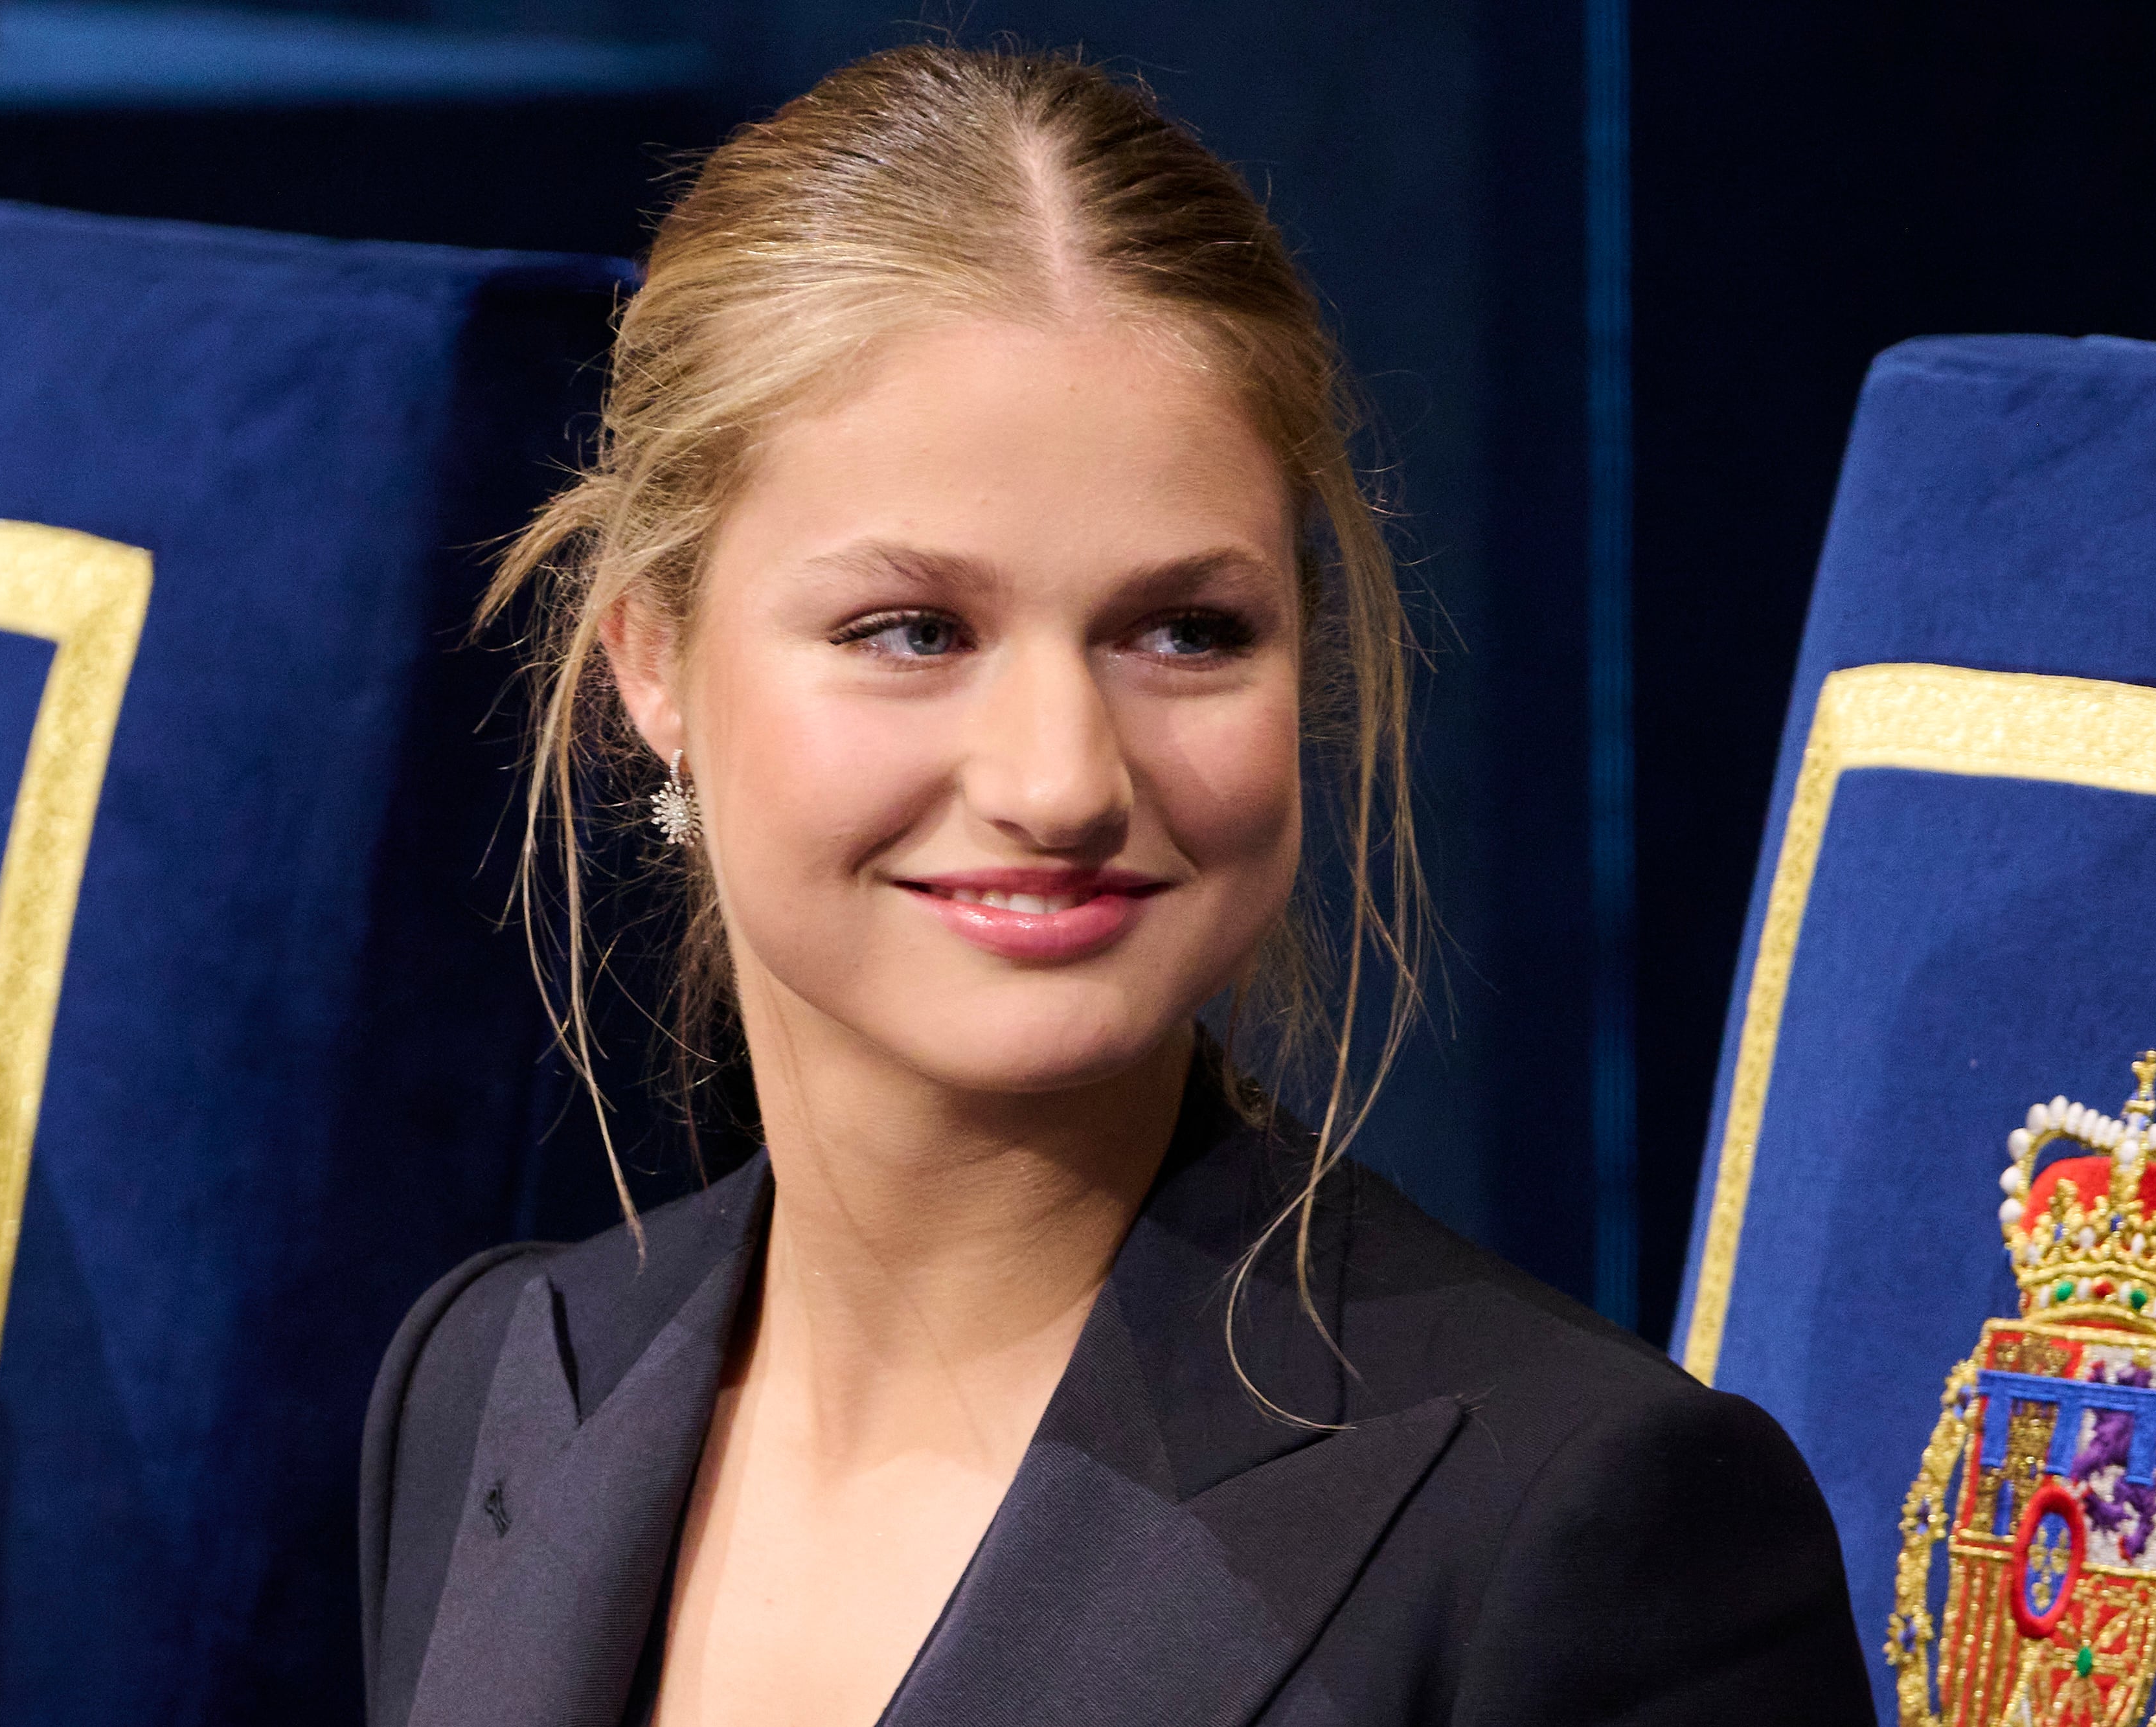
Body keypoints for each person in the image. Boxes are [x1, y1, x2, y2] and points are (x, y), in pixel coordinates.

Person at [359, 43, 1873, 1727]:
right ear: (653, 658)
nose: (1062, 777)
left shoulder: (1583, 1527)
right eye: (913, 630)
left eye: (1183, 632)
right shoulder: (493, 1379)